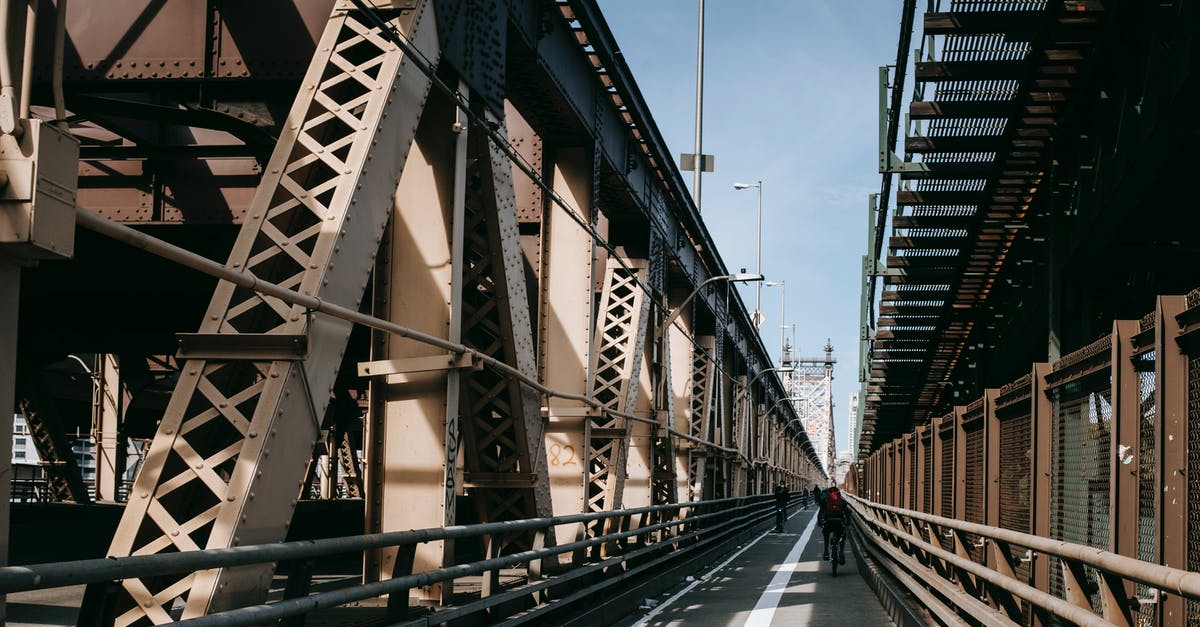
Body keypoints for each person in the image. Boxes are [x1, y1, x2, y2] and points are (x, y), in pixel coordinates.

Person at [819, 485, 846, 563]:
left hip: (828, 522)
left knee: (826, 534)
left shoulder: (826, 500)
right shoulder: (842, 500)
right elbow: (847, 512)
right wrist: (847, 522)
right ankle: (841, 552)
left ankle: (826, 552)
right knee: (842, 535)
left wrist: (821, 522)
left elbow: (821, 512)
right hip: (839, 521)